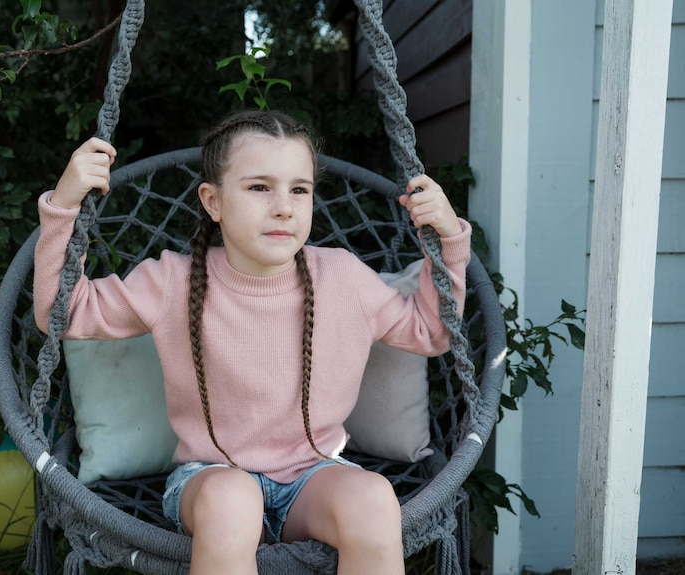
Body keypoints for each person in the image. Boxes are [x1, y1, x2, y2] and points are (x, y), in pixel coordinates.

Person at [33, 109, 471, 575]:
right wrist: (65, 205)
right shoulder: (173, 283)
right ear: (213, 201)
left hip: (313, 475)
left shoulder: (341, 278)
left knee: (373, 499)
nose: (284, 205)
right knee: (232, 500)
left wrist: (445, 238)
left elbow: (433, 331)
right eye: (260, 187)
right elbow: (65, 312)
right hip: (210, 481)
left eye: (299, 190)